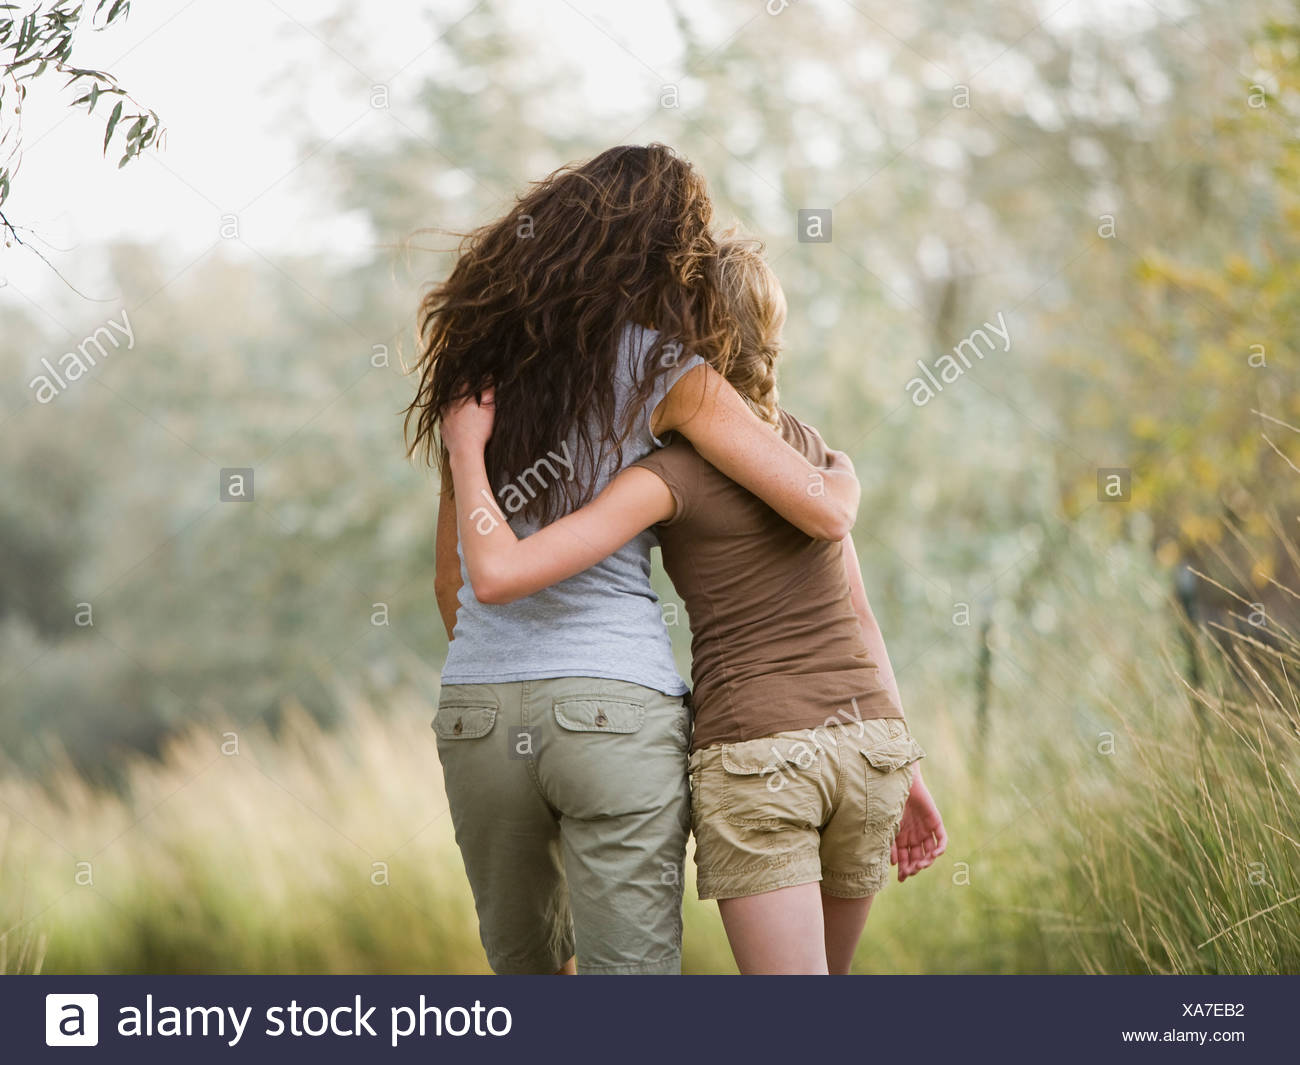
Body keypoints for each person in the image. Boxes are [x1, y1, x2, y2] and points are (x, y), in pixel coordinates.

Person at [405, 146, 861, 975]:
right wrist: (840, 472)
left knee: (528, 978)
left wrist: (504, 674)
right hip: (614, 707)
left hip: (478, 709)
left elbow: (454, 581)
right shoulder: (665, 370)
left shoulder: (477, 375)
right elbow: (815, 508)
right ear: (659, 255)